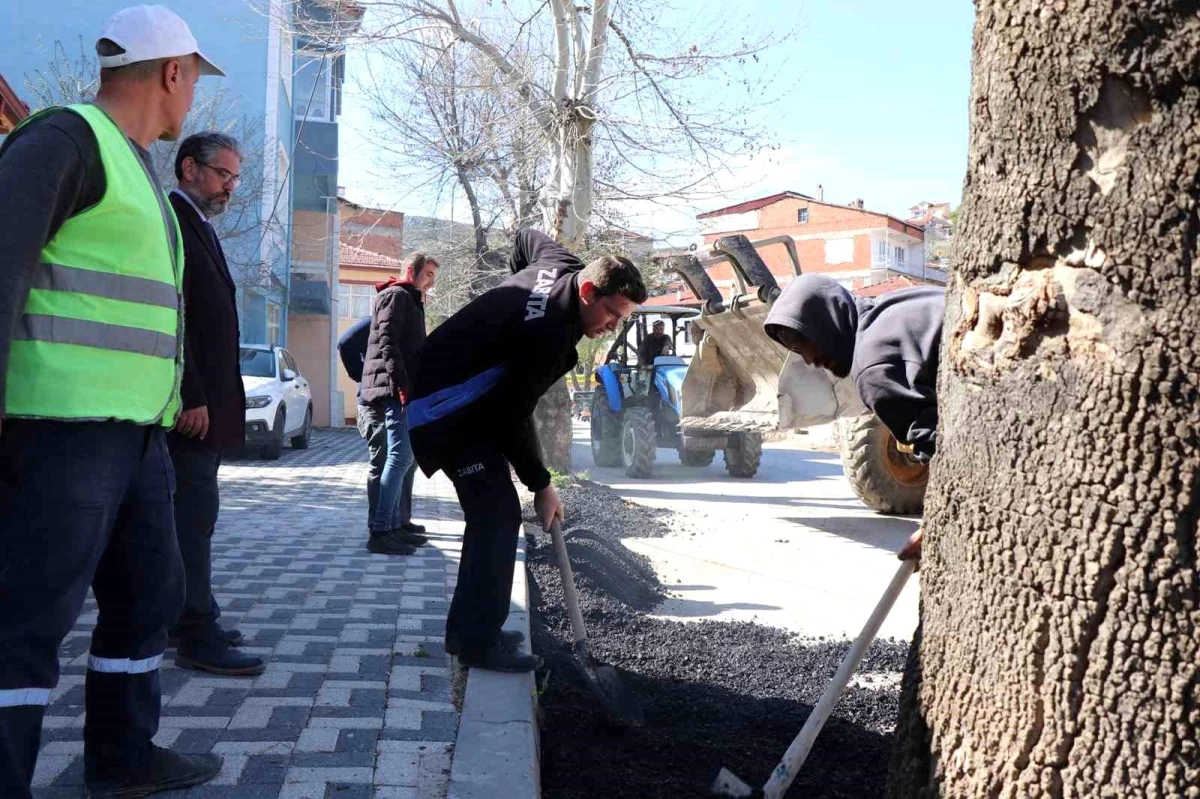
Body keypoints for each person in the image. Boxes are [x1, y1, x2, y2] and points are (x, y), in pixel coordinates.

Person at [0, 6, 227, 797]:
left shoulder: (134, 168)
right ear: (173, 72)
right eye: (194, 78)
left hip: (135, 437)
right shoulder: (66, 140)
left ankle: (124, 755)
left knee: (148, 594)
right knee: (26, 622)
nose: (192, 95)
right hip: (57, 433)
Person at [408, 229, 647, 672]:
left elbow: (523, 239)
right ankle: (478, 643)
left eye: (622, 319)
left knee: (494, 511)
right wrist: (541, 485)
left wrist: (512, 301)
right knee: (496, 514)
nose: (613, 326)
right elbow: (510, 416)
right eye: (612, 314)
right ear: (589, 291)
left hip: (458, 391)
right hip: (444, 408)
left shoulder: (560, 260)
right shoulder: (548, 339)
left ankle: (471, 630)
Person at [166, 132, 264, 677]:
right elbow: (173, 314)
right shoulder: (173, 220)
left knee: (194, 518)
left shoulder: (197, 223)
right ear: (189, 169)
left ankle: (183, 616)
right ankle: (194, 630)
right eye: (222, 175)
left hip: (208, 406)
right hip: (190, 411)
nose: (230, 187)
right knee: (191, 518)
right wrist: (191, 394)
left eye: (234, 178)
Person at [764, 274, 944, 562]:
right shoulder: (895, 306)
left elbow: (948, 453)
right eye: (796, 351)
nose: (809, 360)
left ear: (826, 322)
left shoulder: (873, 371)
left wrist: (938, 525)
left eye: (805, 341)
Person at [360, 254, 439, 555]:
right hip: (393, 391)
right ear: (411, 270)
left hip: (403, 390)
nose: (431, 281)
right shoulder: (395, 295)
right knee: (399, 457)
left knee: (406, 458)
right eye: (428, 274)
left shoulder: (411, 299)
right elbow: (388, 343)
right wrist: (403, 387)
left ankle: (394, 526)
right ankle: (381, 531)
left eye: (434, 276)